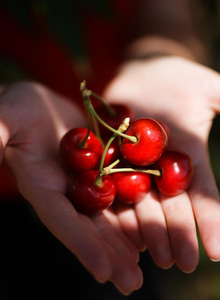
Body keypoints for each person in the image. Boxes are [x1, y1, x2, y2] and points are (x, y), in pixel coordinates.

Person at [0, 0, 220, 295]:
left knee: (120, 275)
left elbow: (169, 10)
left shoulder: (123, 146)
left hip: (120, 229)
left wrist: (164, 52)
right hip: (13, 184)